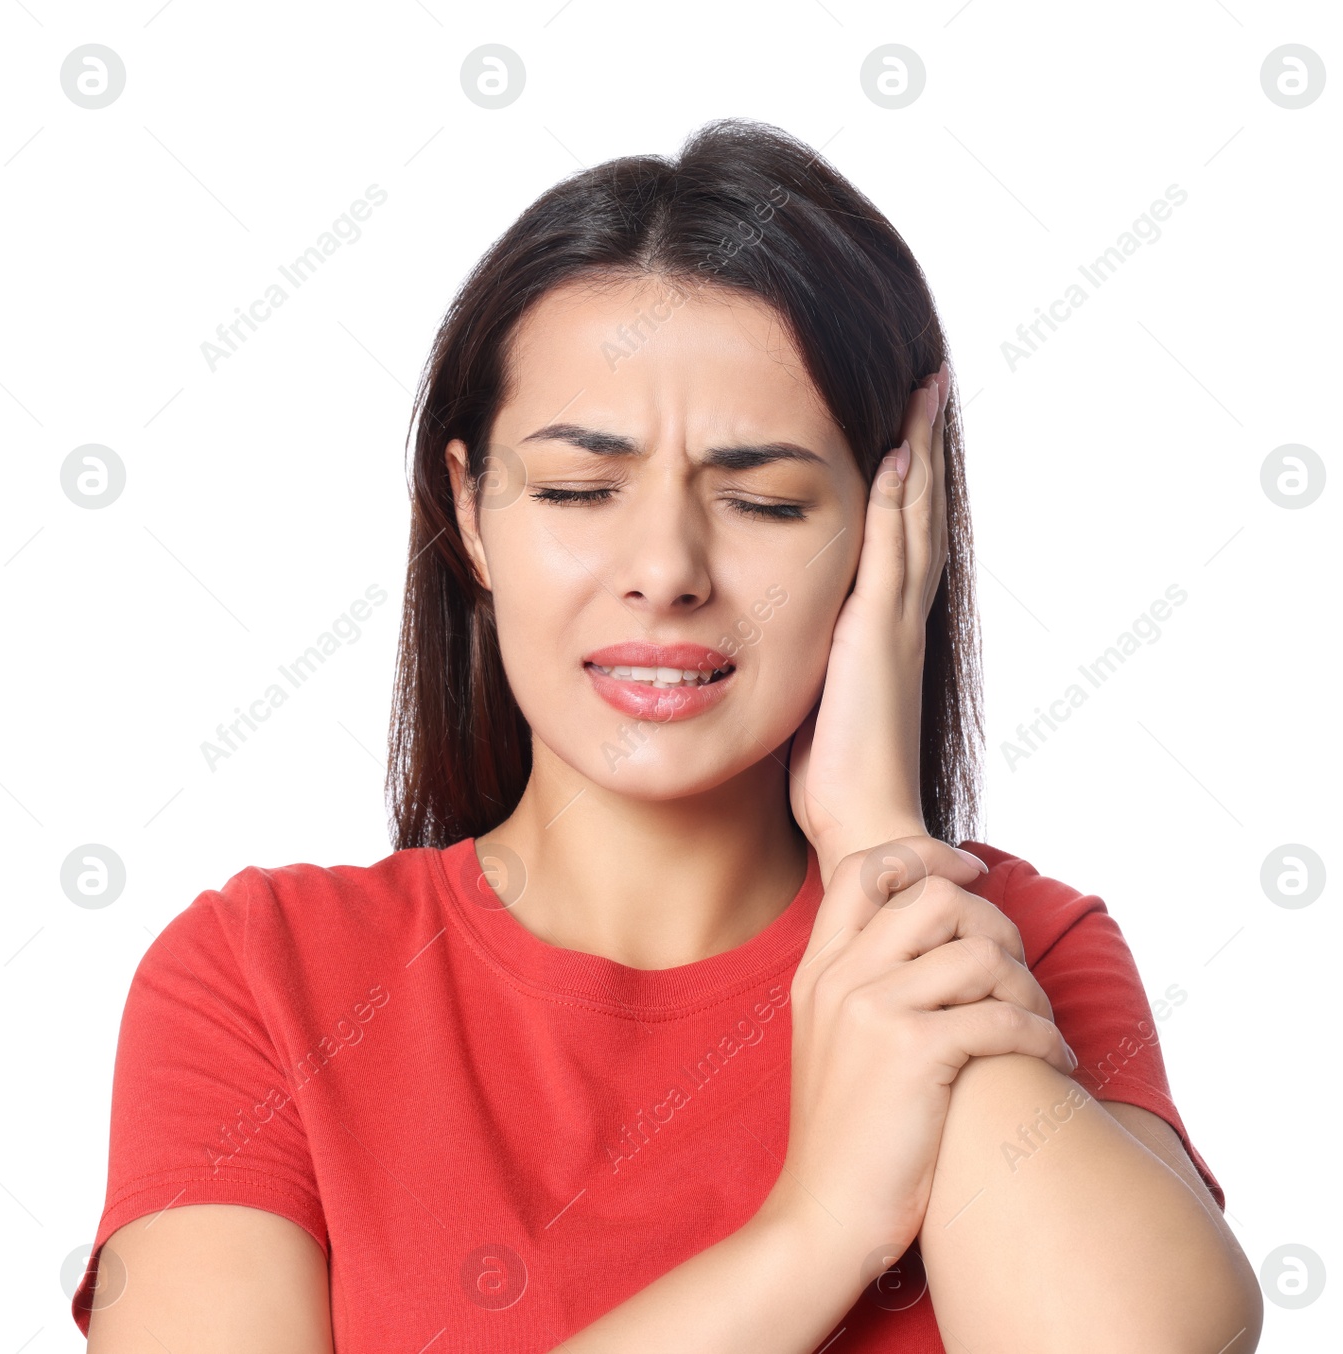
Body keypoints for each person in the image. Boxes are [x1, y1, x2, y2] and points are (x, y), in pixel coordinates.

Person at [73, 118, 1262, 1352]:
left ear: (888, 531)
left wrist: (876, 842)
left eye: (763, 500)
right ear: (470, 516)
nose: (665, 571)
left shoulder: (1014, 946)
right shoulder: (261, 975)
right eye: (580, 491)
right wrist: (816, 1230)